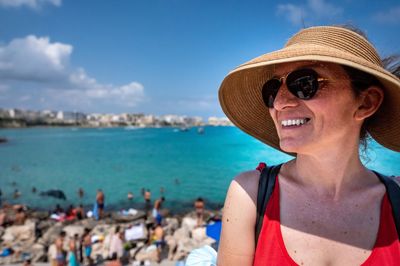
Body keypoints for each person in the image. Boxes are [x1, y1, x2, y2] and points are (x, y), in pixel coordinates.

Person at [216, 25, 400, 265]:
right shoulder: (249, 195)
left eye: (304, 83)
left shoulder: (396, 201)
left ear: (366, 102)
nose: (280, 103)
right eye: (272, 90)